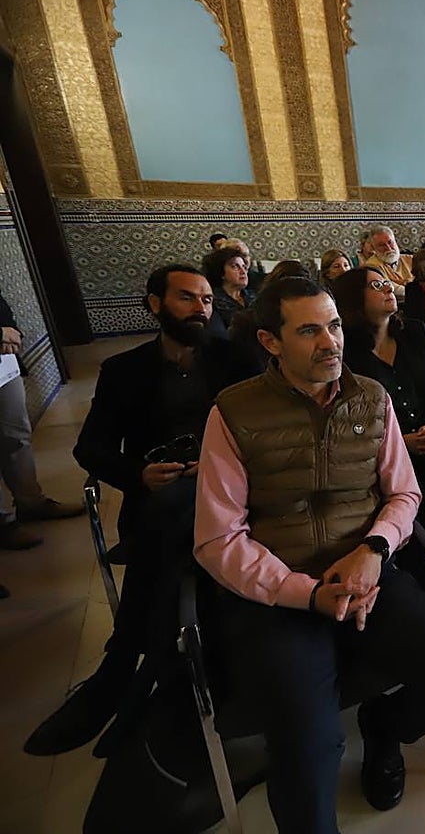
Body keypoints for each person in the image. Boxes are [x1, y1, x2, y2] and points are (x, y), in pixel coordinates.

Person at [194, 277, 425, 833]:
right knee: (309, 749)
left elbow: (404, 493)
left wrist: (374, 551)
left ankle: (385, 727)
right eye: (308, 331)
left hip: (369, 573)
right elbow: (218, 540)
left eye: (332, 325)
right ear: (270, 341)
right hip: (279, 598)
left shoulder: (371, 398)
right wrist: (305, 593)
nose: (330, 342)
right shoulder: (233, 413)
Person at [24, 264, 255, 757]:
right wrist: (138, 475)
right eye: (187, 298)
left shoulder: (235, 360)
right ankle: (153, 683)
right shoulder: (124, 370)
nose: (201, 308)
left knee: (171, 532)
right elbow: (91, 448)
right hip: (158, 499)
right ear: (155, 304)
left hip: (229, 496)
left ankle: (121, 673)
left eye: (208, 301)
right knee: (173, 523)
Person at [332, 268, 425, 542]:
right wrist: (399, 441)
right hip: (386, 446)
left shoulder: (413, 332)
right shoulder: (346, 354)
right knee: (405, 498)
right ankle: (409, 552)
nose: (388, 289)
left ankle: (416, 551)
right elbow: (348, 415)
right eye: (376, 285)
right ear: (355, 298)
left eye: (387, 283)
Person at [0, 292, 83, 551]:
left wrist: (10, 329)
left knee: (16, 435)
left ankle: (31, 502)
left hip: (3, 361)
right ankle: (3, 524)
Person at [202, 245, 255, 329]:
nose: (243, 271)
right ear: (221, 272)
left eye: (244, 267)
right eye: (235, 266)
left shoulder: (255, 296)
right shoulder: (212, 301)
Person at [362, 225, 413, 289]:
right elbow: (392, 289)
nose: (388, 248)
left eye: (390, 242)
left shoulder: (411, 259)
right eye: (382, 245)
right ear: (374, 248)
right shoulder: (371, 266)